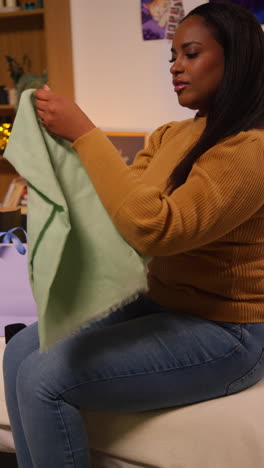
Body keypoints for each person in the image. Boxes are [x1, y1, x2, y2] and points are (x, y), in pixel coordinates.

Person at [3, 2, 264, 467]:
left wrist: (85, 134)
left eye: (191, 54)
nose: (175, 67)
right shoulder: (169, 135)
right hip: (161, 302)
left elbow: (157, 228)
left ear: (237, 58)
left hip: (227, 332)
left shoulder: (252, 151)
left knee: (43, 376)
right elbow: (123, 211)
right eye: (172, 56)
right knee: (20, 350)